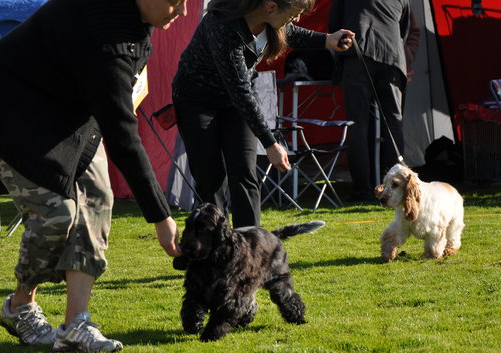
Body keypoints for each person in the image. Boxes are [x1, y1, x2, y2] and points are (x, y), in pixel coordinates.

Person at [0, 0, 186, 353]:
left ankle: (76, 325)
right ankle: (20, 306)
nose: (182, 12)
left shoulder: (138, 22)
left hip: (70, 107)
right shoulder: (108, 40)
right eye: (175, 1)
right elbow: (123, 138)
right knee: (57, 213)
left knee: (99, 197)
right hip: (9, 106)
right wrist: (161, 218)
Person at [172, 0, 354, 228]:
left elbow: (291, 33)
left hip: (235, 101)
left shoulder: (269, 21)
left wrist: (328, 40)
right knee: (211, 180)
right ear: (270, 6)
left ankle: (251, 249)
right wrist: (270, 143)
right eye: (295, 13)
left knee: (246, 174)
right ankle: (216, 249)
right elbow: (239, 90)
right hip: (197, 101)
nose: (296, 18)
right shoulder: (222, 24)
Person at [328, 0, 411, 202]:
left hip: (357, 56)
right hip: (391, 56)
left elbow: (334, 27)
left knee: (358, 126)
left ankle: (362, 190)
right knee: (393, 123)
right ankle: (398, 190)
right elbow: (404, 29)